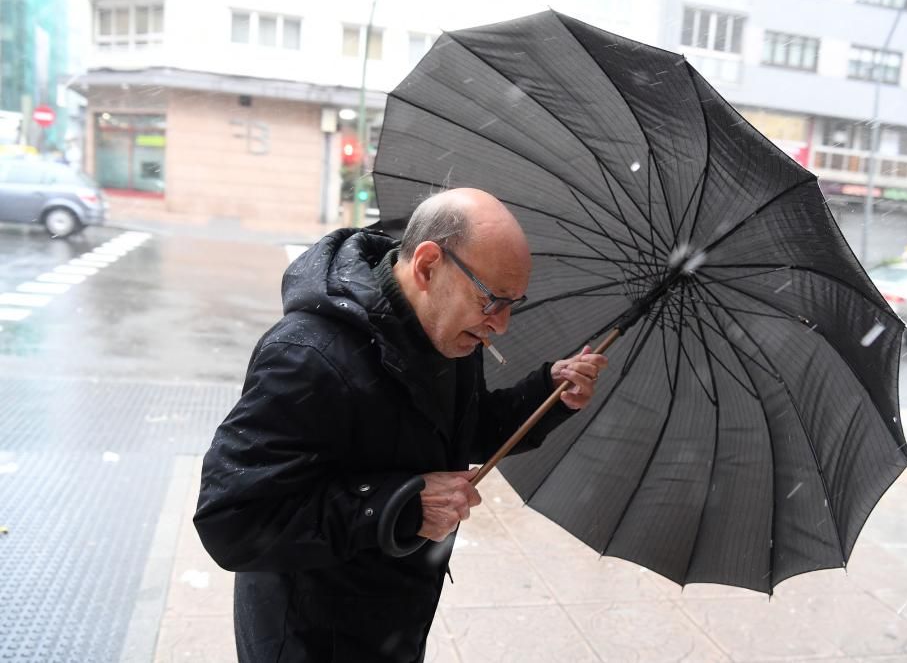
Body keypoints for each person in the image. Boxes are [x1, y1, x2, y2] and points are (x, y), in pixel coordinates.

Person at [193, 187, 609, 662]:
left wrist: (548, 393)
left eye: (514, 302)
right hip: (311, 640)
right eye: (493, 300)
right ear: (428, 266)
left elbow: (463, 430)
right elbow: (232, 521)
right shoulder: (310, 356)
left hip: (392, 623)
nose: (502, 324)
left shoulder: (448, 336)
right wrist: (399, 505)